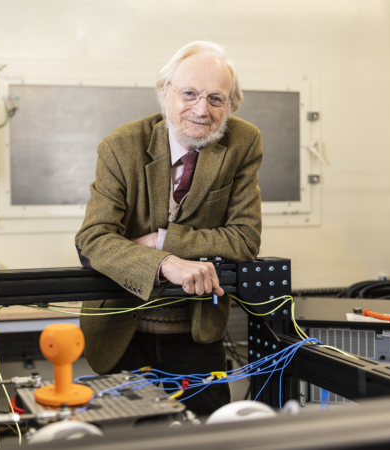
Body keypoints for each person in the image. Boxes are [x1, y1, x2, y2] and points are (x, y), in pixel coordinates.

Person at [74, 41, 263, 416]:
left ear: (231, 105)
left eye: (216, 98)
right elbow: (93, 240)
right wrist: (165, 263)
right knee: (130, 439)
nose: (201, 109)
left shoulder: (243, 142)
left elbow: (245, 239)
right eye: (189, 94)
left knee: (205, 434)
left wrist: (161, 240)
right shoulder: (121, 145)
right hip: (123, 328)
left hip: (197, 331)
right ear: (165, 93)